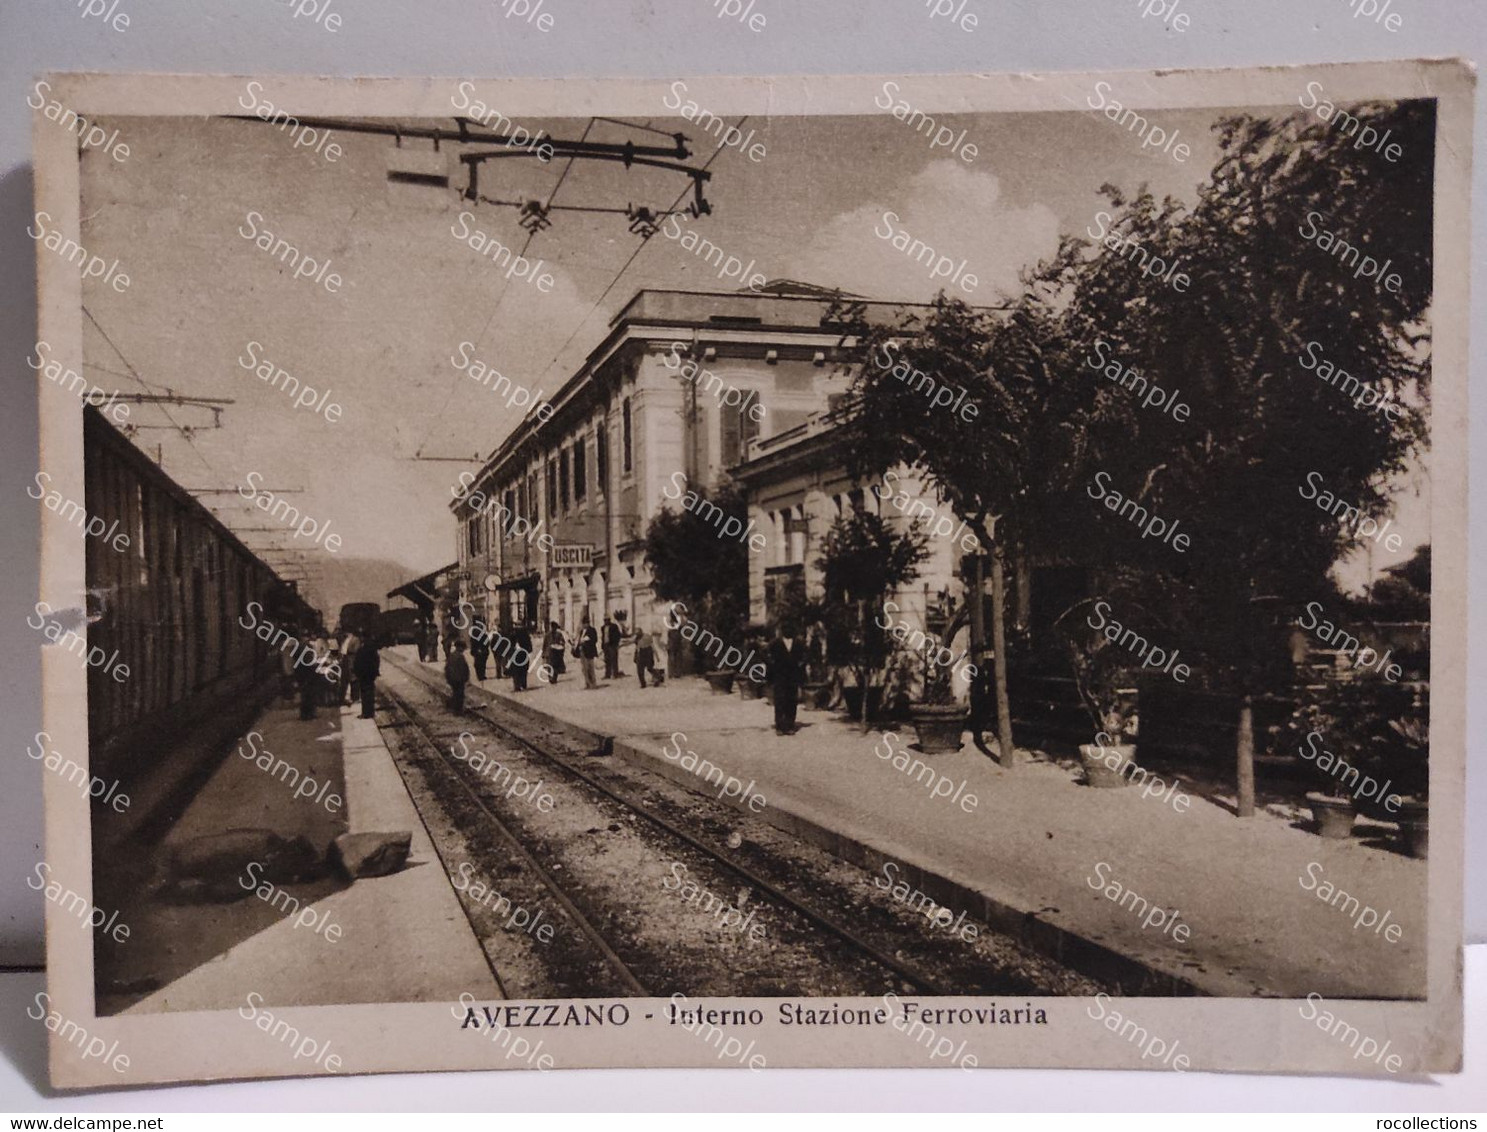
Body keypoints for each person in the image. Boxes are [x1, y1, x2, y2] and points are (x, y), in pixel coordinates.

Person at [767, 625, 807, 735]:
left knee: (791, 700)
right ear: (782, 630)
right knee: (779, 700)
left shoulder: (798, 644)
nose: (788, 630)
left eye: (790, 627)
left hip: (793, 676)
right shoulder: (774, 643)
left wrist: (801, 674)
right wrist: (770, 677)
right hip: (780, 676)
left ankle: (790, 725)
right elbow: (769, 660)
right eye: (786, 628)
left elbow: (803, 659)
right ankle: (779, 726)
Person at [353, 633, 381, 719]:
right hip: (370, 674)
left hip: (364, 674)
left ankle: (365, 713)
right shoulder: (372, 648)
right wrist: (375, 671)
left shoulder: (363, 649)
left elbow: (358, 661)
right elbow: (377, 660)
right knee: (370, 693)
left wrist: (357, 672)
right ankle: (370, 712)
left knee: (365, 694)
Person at [294, 632, 320, 721]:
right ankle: (309, 714)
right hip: (308, 673)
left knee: (304, 694)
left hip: (301, 673)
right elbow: (310, 661)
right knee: (310, 694)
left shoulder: (298, 646)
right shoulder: (307, 646)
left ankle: (304, 714)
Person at [445, 639, 471, 713]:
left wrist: (448, 678)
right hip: (459, 679)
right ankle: (457, 710)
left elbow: (447, 668)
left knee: (455, 693)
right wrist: (466, 678)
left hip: (453, 679)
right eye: (463, 648)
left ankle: (454, 708)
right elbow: (464, 669)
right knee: (460, 695)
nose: (463, 650)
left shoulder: (452, 655)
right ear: (460, 648)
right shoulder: (460, 657)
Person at [578, 614, 599, 689]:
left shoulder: (592, 630)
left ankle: (593, 684)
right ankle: (587, 683)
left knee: (590, 668)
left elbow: (595, 640)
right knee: (584, 669)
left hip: (589, 652)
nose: (584, 625)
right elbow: (579, 640)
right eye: (583, 623)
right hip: (582, 652)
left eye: (586, 623)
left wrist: (587, 640)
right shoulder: (581, 631)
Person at [511, 622, 533, 692]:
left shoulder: (513, 635)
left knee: (516, 671)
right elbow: (530, 648)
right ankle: (523, 684)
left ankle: (517, 686)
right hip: (524, 655)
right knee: (524, 670)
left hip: (516, 655)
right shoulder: (526, 636)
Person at [340, 630, 360, 706]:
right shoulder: (345, 640)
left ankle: (355, 698)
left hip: (351, 660)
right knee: (345, 679)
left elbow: (356, 649)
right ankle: (344, 697)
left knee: (354, 679)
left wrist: (347, 651)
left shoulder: (356, 639)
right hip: (345, 660)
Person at [633, 624, 657, 689]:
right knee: (640, 670)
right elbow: (637, 648)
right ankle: (643, 683)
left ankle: (657, 678)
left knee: (649, 668)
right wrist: (635, 657)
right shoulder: (636, 639)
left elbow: (652, 646)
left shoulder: (647, 637)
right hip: (640, 654)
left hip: (647, 653)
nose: (637, 635)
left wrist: (656, 656)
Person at [602, 615, 622, 679]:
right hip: (606, 645)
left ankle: (615, 674)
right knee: (607, 660)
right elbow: (603, 637)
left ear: (609, 620)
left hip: (612, 645)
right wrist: (603, 645)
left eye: (607, 620)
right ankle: (607, 674)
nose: (606, 621)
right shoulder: (603, 627)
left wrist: (615, 643)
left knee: (614, 660)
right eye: (605, 620)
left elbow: (618, 635)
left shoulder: (614, 626)